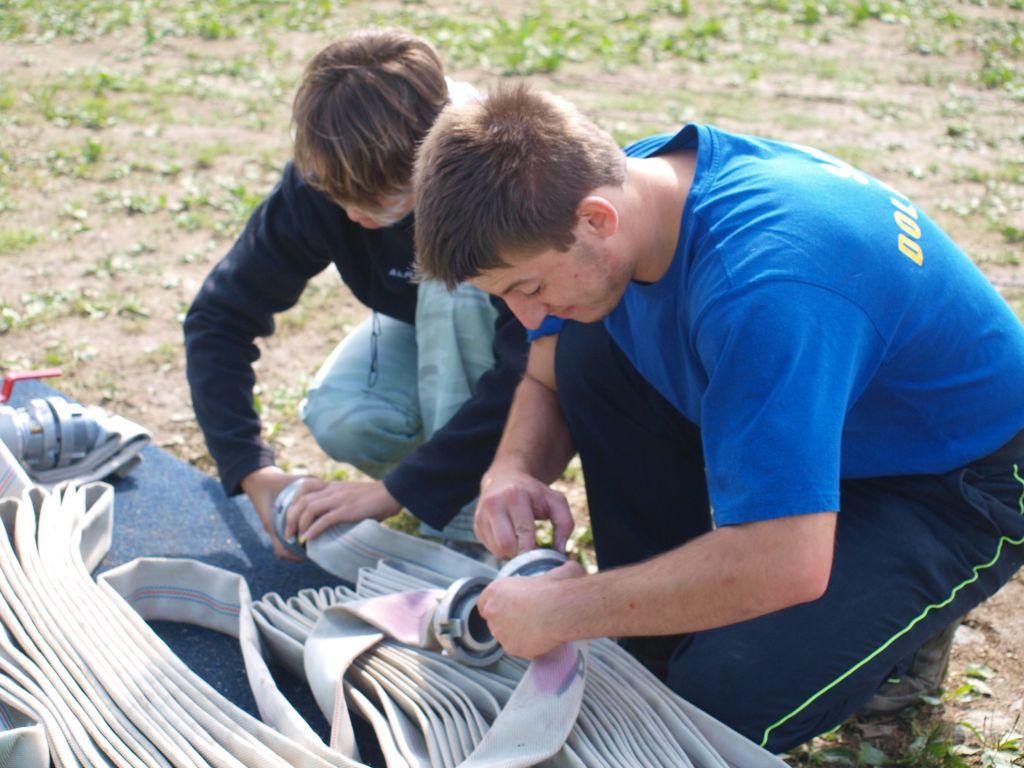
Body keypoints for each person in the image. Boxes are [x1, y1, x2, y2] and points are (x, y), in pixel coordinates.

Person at [411, 83, 1024, 752]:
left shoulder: (763, 289)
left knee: (708, 705)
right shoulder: (634, 185)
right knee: (587, 343)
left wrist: (566, 610)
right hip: (834, 412)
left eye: (527, 287)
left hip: (957, 478)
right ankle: (661, 642)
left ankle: (901, 632)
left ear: (597, 220)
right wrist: (512, 469)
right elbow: (548, 366)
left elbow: (785, 562)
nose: (528, 314)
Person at [184, 30, 526, 560]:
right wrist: (252, 470)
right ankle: (454, 478)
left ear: (429, 157)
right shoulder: (328, 174)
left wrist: (396, 493)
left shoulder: (497, 172)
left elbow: (532, 364)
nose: (354, 216)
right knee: (344, 417)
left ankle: (468, 528)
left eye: (380, 201)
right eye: (337, 197)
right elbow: (218, 318)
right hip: (431, 333)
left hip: (547, 371)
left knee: (455, 291)